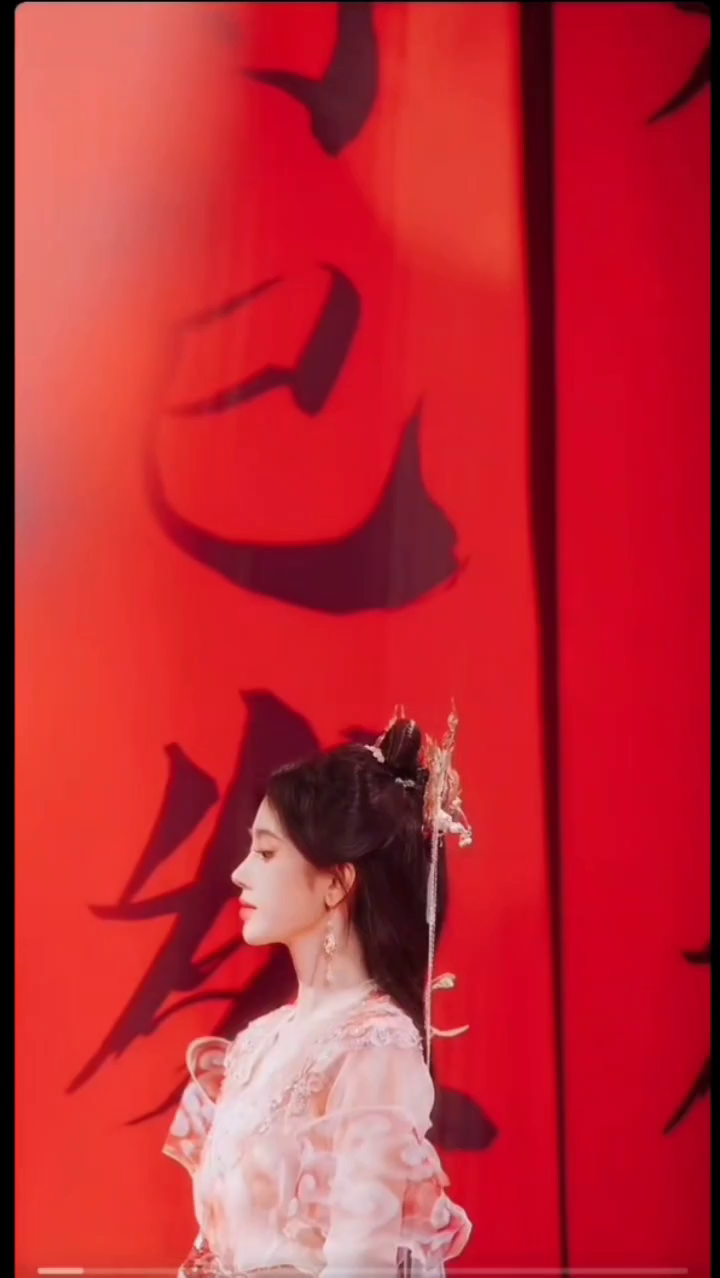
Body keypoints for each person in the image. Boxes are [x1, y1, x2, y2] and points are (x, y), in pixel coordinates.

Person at [163, 710, 474, 1277]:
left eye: (266, 853)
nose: (239, 874)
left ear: (336, 882)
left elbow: (362, 1263)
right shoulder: (258, 1042)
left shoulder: (376, 1045)